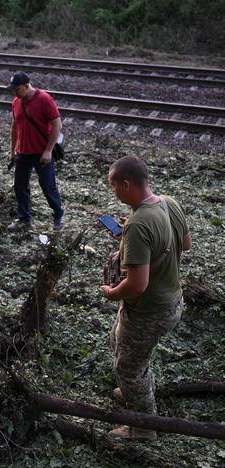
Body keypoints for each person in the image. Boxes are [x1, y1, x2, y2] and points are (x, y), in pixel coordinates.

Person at [100, 156, 191, 440]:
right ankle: (135, 389)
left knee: (127, 367)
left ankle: (143, 426)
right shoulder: (168, 203)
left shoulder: (140, 225)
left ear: (126, 185)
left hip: (148, 310)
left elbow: (137, 285)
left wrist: (112, 293)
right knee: (121, 343)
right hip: (172, 301)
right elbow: (185, 243)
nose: (113, 192)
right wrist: (137, 237)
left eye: (113, 186)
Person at [6, 72, 64, 231]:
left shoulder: (44, 99)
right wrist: (13, 151)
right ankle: (24, 218)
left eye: (16, 89)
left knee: (47, 186)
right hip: (23, 152)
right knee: (20, 186)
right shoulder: (16, 102)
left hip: (41, 153)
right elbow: (15, 126)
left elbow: (57, 125)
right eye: (13, 90)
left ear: (26, 86)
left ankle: (58, 215)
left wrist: (48, 151)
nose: (14, 93)